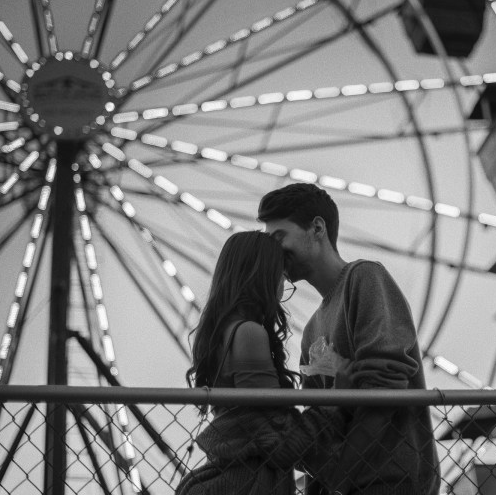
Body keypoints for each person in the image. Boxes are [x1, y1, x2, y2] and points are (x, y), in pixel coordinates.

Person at [258, 183, 440, 495]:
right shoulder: (312, 334)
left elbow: (384, 389)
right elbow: (320, 423)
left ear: (317, 228)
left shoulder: (365, 278)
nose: (274, 253)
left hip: (390, 482)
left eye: (279, 238)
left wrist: (339, 478)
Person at [177, 231, 345, 495]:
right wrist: (338, 388)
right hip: (250, 482)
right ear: (262, 274)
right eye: (281, 273)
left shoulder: (223, 331)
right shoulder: (248, 333)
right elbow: (277, 435)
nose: (284, 282)